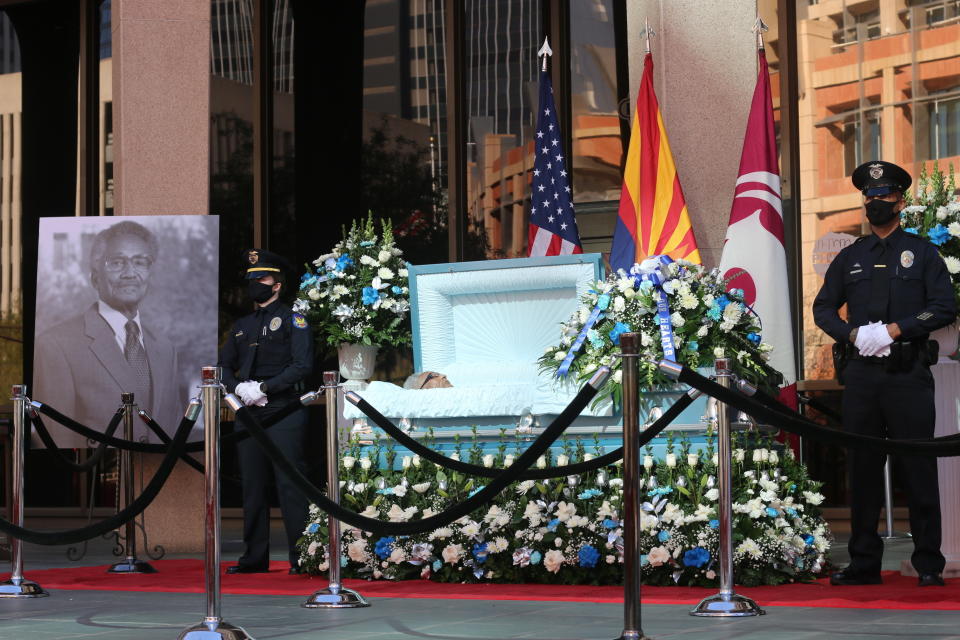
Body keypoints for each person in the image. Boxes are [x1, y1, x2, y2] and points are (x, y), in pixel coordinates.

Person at [813, 160, 957, 588]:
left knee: (919, 467)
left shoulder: (923, 251)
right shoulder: (850, 257)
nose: (876, 202)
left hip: (908, 370)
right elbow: (823, 308)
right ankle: (863, 563)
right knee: (863, 468)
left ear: (900, 200)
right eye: (870, 196)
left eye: (885, 195)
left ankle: (929, 562)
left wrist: (898, 328)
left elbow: (944, 306)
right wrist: (852, 333)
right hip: (862, 375)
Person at [34, 220, 182, 447]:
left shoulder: (165, 348)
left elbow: (173, 432)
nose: (130, 273)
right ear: (95, 277)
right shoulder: (55, 346)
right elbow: (55, 440)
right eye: (117, 262)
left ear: (150, 275)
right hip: (97, 476)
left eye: (140, 262)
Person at [219, 248, 314, 575]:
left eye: (262, 278)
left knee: (290, 486)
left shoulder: (294, 319)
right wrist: (239, 388)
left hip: (283, 410)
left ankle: (301, 558)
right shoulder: (242, 325)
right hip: (248, 414)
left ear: (277, 285)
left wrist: (264, 388)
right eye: (251, 279)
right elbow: (223, 366)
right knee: (253, 486)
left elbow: (302, 365)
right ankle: (254, 558)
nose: (255, 283)